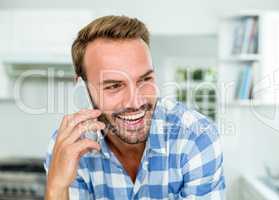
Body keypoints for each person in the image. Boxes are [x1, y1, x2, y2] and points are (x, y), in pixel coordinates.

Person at [44, 15, 226, 199]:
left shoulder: (196, 138)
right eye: (114, 86)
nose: (136, 102)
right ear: (82, 88)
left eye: (145, 79)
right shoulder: (69, 147)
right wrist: (57, 187)